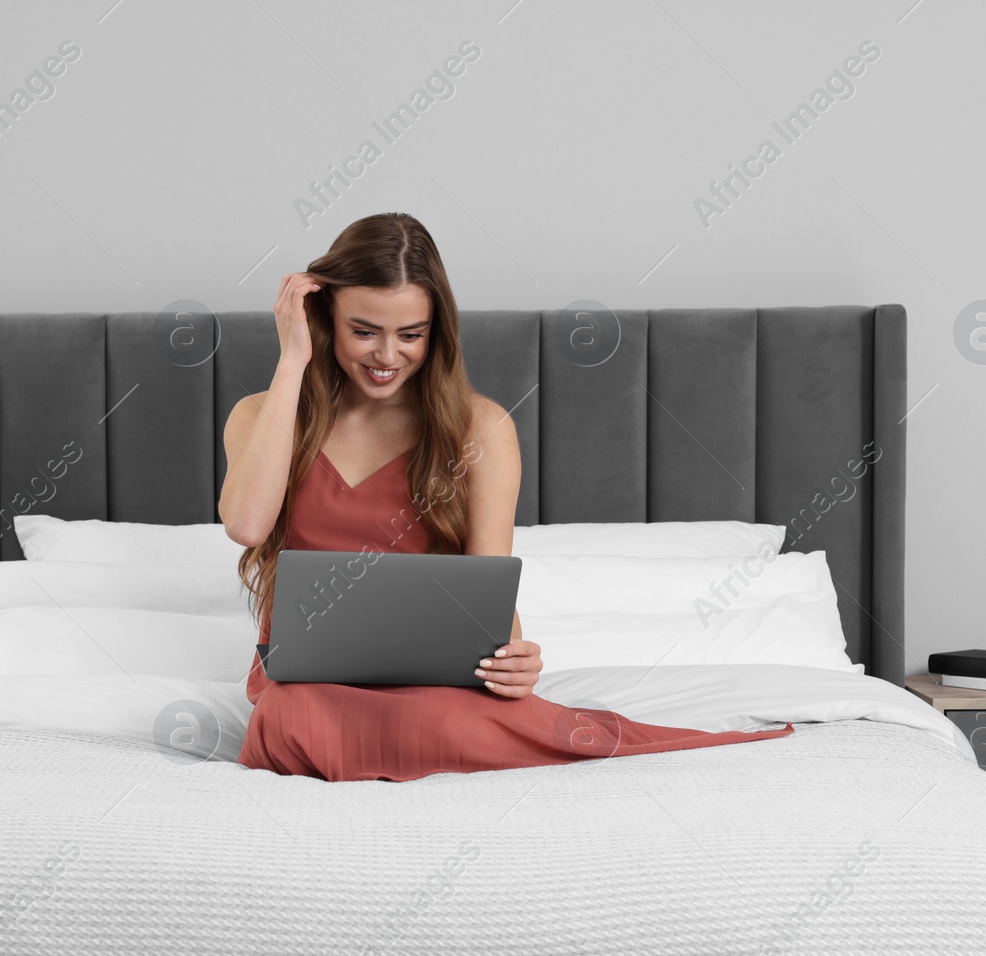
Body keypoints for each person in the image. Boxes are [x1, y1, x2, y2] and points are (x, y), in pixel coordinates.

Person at [219, 212, 792, 781]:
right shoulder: (261, 415)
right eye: (364, 331)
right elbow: (246, 525)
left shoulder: (481, 429)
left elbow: (485, 585)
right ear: (326, 317)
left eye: (411, 335)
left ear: (437, 332)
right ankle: (403, 743)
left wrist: (514, 657)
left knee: (440, 717)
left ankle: (401, 742)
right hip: (306, 684)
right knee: (284, 718)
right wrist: (294, 358)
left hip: (435, 681)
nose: (388, 355)